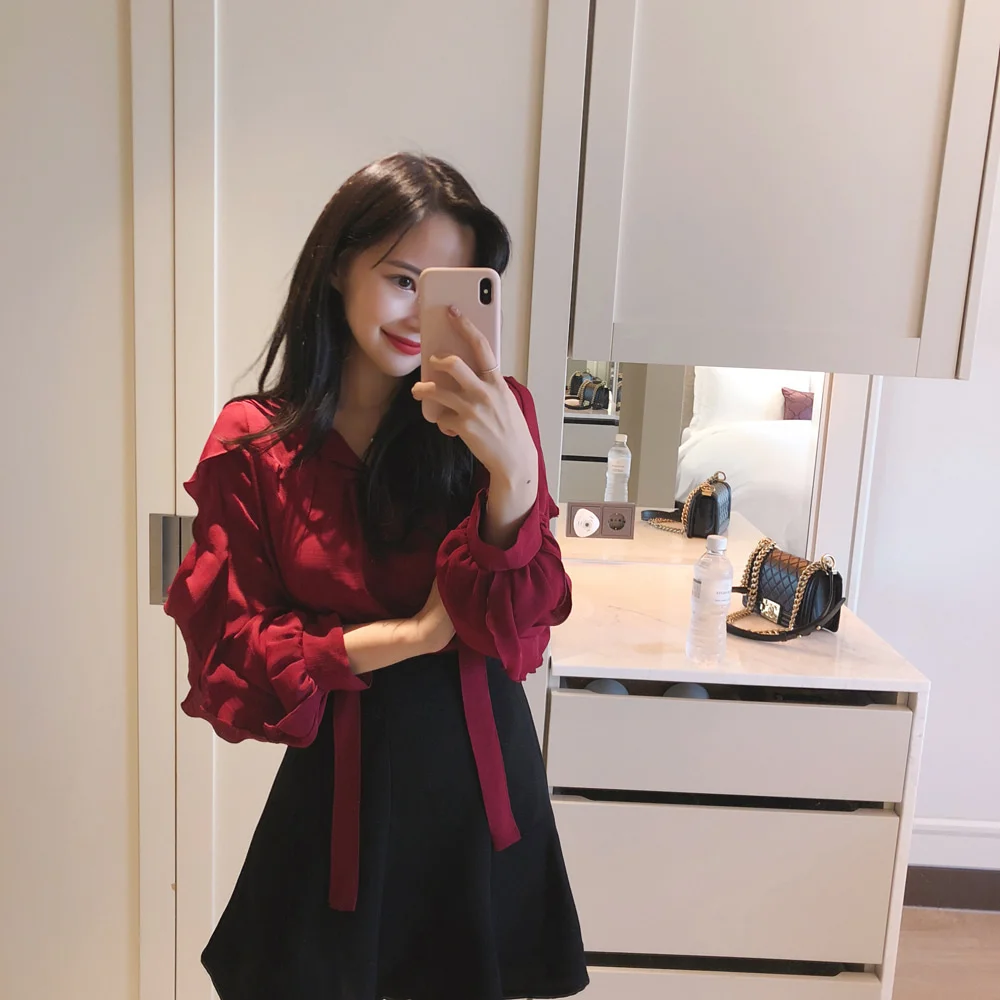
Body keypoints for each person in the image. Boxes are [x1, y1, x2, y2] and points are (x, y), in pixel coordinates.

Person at [164, 153, 589, 1000]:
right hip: (337, 797)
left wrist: (515, 478)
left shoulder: (499, 417)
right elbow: (233, 655)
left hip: (481, 791)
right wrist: (412, 636)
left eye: (446, 291)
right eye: (401, 280)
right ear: (337, 268)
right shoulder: (256, 444)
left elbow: (520, 634)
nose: (418, 316)